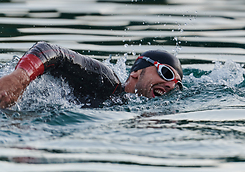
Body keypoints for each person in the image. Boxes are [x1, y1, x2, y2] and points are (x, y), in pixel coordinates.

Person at [0, 41, 183, 108]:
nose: (171, 85)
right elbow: (51, 50)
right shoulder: (105, 81)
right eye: (166, 73)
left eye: (178, 84)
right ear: (136, 72)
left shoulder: (123, 105)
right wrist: (19, 79)